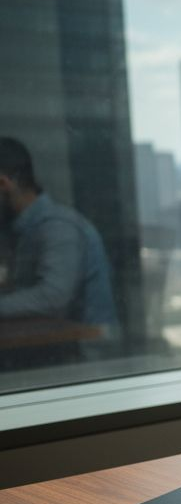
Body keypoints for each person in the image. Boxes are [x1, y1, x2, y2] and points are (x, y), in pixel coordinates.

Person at [0, 137, 118, 359]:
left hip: (85, 357)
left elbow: (52, 297)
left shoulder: (58, 228)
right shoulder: (22, 229)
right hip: (55, 350)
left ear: (4, 183)